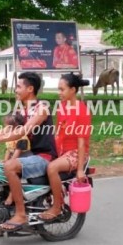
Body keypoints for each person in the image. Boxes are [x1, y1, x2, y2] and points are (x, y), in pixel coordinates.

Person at [0, 72, 57, 233]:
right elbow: (3, 130)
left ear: (30, 89)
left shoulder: (41, 109)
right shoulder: (22, 111)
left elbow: (22, 131)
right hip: (28, 156)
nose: (15, 90)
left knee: (9, 166)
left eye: (18, 86)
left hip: (43, 157)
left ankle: (21, 214)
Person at [38, 73, 92, 222]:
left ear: (73, 90)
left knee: (52, 168)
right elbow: (58, 133)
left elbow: (81, 143)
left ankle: (57, 207)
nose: (59, 93)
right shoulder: (62, 107)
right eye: (58, 89)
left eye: (62, 89)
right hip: (62, 151)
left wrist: (80, 169)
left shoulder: (82, 111)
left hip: (75, 153)